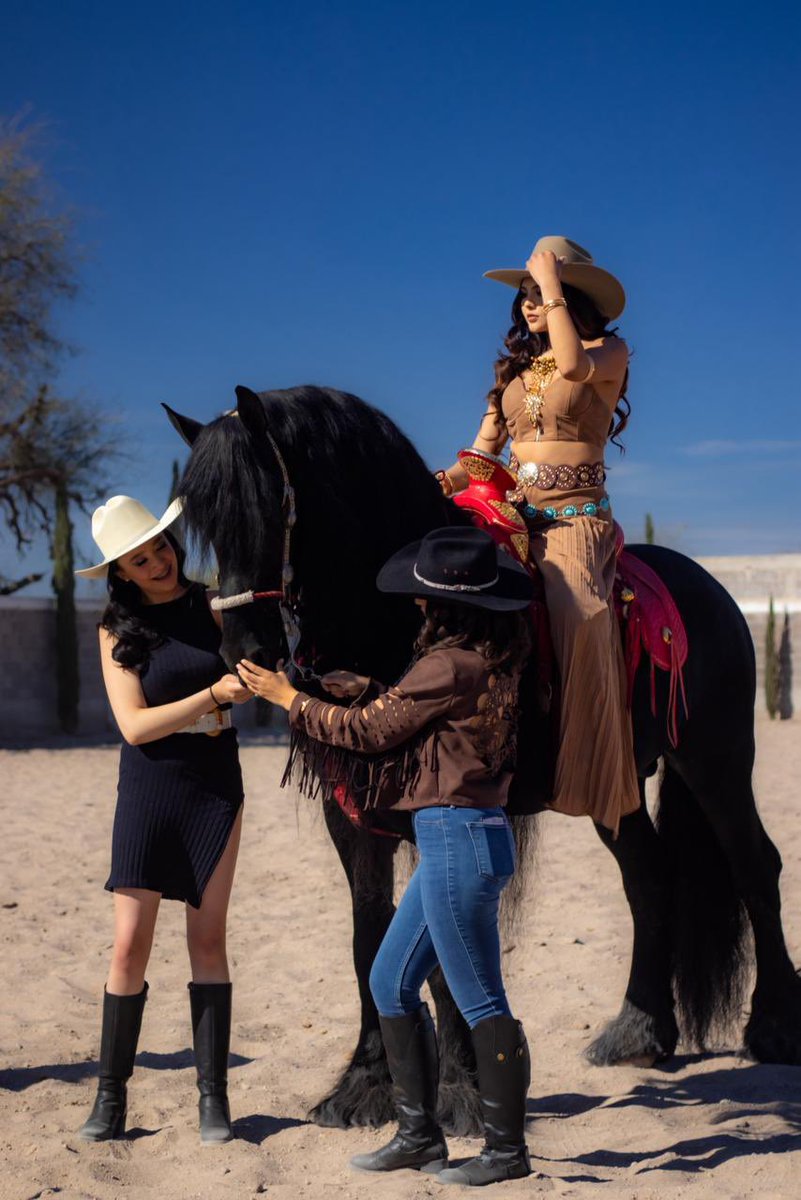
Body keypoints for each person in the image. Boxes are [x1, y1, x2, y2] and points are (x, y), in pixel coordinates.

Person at [238, 526, 534, 1186]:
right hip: (456, 841)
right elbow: (414, 716)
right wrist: (369, 685)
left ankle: (506, 1151)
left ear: (443, 605)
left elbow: (367, 735)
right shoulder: (479, 659)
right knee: (388, 982)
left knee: (482, 1001)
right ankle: (417, 1133)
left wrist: (289, 699)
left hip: (455, 842)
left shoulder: (444, 663)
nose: (417, 606)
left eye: (425, 598)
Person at [436, 235, 639, 835]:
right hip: (513, 516)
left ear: (570, 294)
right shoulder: (516, 372)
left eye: (540, 292)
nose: (528, 304)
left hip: (576, 522)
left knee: (583, 614)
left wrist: (551, 285)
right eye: (523, 294)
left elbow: (572, 364)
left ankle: (586, 772)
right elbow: (480, 455)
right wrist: (431, 483)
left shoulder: (609, 351)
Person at [74, 495, 252, 1143]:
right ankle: (110, 1100)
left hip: (214, 783)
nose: (157, 563)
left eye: (160, 548)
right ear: (120, 570)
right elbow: (134, 727)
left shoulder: (215, 606)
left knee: (207, 939)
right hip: (149, 786)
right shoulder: (117, 629)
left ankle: (213, 1101)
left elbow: (264, 669)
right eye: (139, 559)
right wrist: (210, 697)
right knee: (129, 944)